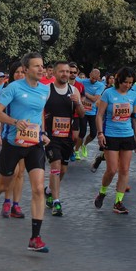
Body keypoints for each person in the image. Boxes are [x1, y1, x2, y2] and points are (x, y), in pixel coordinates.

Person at [0, 52, 51, 253]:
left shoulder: (45, 90)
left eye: (42, 66)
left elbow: (39, 115)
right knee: (3, 185)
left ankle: (35, 238)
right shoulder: (13, 88)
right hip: (13, 143)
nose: (40, 69)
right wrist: (15, 122)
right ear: (26, 69)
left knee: (38, 189)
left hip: (34, 144)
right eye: (36, 66)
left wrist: (43, 132)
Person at [94, 67, 136, 214]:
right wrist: (100, 133)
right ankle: (102, 192)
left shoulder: (134, 96)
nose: (128, 85)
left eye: (131, 83)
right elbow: (99, 115)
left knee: (125, 170)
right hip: (111, 135)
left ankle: (118, 202)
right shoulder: (108, 93)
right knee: (112, 169)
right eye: (125, 82)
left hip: (127, 135)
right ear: (119, 80)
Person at [43, 61, 85, 216]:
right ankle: (56, 202)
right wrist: (42, 132)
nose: (65, 74)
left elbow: (81, 114)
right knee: (55, 166)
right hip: (51, 136)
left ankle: (48, 190)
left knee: (63, 169)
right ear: (54, 72)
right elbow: (40, 112)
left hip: (66, 136)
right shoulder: (47, 90)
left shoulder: (73, 90)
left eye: (67, 72)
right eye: (62, 71)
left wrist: (78, 102)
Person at [0, 61, 28, 219]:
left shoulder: (30, 89)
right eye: (17, 72)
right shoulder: (8, 90)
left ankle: (16, 204)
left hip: (27, 135)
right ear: (12, 74)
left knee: (21, 172)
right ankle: (7, 200)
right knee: (11, 173)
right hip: (10, 135)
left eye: (23, 72)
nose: (20, 75)